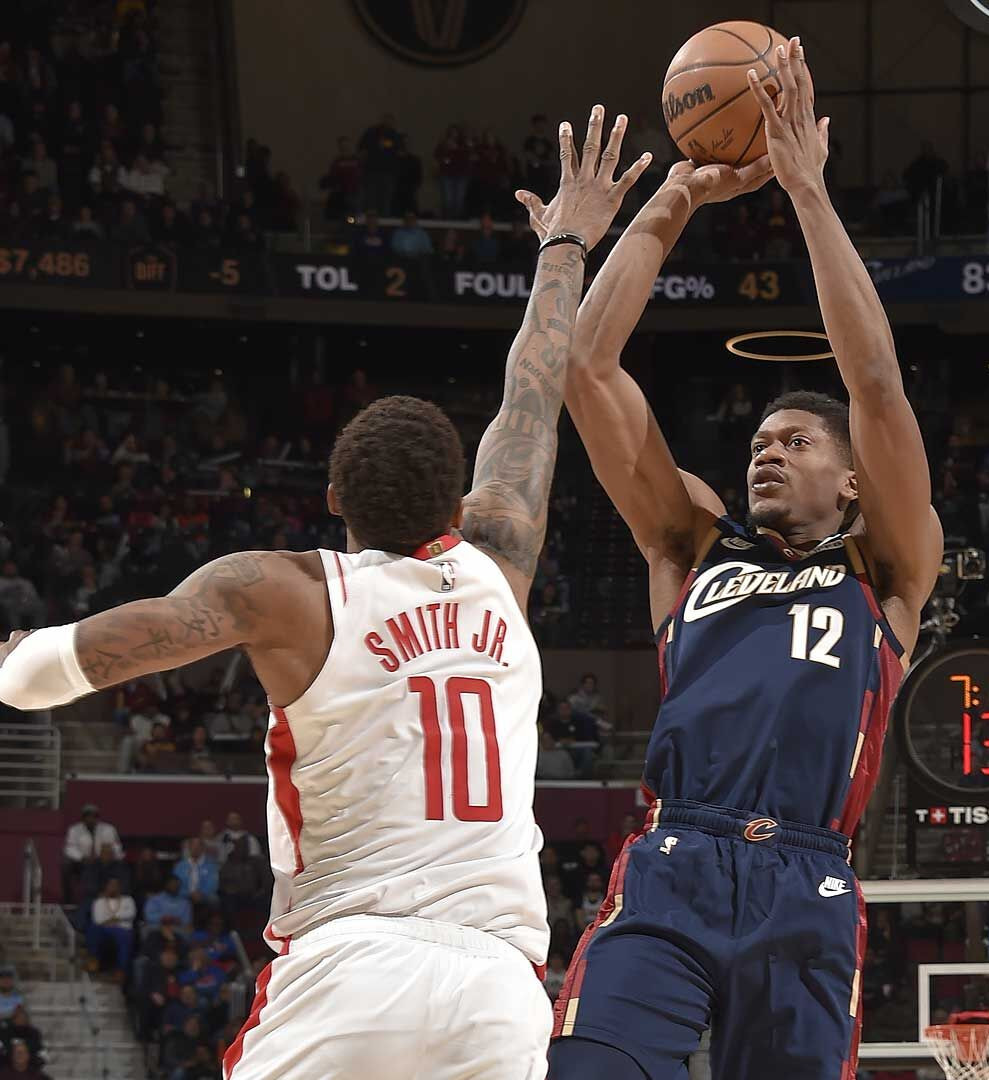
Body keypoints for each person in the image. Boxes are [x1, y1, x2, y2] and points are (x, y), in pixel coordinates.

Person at [0, 107, 650, 1080]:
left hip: (351, 967)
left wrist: (18, 663)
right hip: (500, 991)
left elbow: (64, 669)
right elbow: (533, 388)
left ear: (335, 497)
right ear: (459, 502)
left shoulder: (288, 592)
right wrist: (565, 241)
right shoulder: (501, 562)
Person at [549, 43, 941, 1080]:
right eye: (760, 439)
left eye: (797, 440)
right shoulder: (691, 540)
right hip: (673, 861)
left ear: (852, 481)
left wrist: (806, 190)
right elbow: (586, 370)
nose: (768, 446)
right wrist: (670, 204)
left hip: (806, 880)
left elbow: (875, 380)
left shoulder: (888, 566)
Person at [62, 803, 123, 901]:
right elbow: (69, 848)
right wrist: (82, 857)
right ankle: (68, 898)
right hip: (82, 862)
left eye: (93, 816)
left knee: (120, 866)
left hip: (103, 861)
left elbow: (117, 847)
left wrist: (107, 855)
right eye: (88, 816)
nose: (90, 819)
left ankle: (115, 896)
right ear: (83, 818)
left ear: (97, 818)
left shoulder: (108, 829)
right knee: (66, 865)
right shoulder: (74, 830)